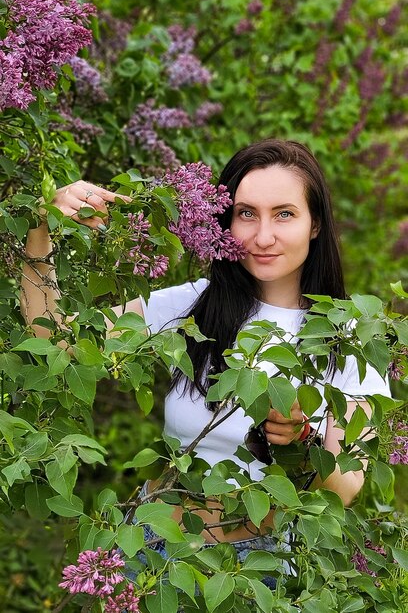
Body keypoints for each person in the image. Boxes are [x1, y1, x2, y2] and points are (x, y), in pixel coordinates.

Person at [21, 139, 390, 556]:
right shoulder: (195, 304)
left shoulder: (348, 339)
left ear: (315, 224)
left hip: (254, 576)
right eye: (246, 213)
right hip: (143, 550)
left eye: (284, 214)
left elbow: (340, 492)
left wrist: (302, 441)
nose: (263, 236)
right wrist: (41, 229)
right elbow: (55, 344)